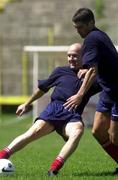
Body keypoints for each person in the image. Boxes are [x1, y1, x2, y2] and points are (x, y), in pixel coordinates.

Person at [0, 43, 101, 176]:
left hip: (72, 115)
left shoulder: (92, 77)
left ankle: (54, 169)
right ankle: (2, 155)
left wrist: (91, 70)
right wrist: (26, 103)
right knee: (32, 132)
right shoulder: (60, 71)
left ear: (84, 56)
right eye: (69, 56)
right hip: (54, 110)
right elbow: (43, 88)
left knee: (77, 131)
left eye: (75, 56)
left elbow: (111, 75)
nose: (71, 58)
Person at [64, 8, 118, 174]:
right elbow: (95, 67)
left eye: (80, 27)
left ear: (91, 23)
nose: (78, 30)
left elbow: (93, 70)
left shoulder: (92, 39)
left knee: (114, 137)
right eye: (75, 27)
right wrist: (85, 70)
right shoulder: (97, 36)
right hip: (108, 91)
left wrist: (79, 95)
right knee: (98, 131)